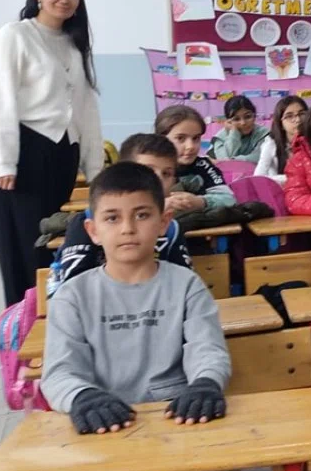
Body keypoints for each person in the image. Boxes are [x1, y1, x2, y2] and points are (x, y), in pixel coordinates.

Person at [41, 162, 231, 435]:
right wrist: (82, 396)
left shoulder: (187, 285)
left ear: (163, 222)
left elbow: (207, 349)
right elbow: (60, 371)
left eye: (141, 215)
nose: (127, 228)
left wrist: (206, 383)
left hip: (180, 419)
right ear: (93, 230)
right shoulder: (72, 296)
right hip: (104, 425)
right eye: (112, 218)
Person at [0, 0, 104, 306]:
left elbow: (86, 110)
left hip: (63, 155)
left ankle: (56, 315)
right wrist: (2, 162)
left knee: (54, 243)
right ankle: (24, 318)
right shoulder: (15, 35)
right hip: (24, 154)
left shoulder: (75, 44)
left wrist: (96, 170)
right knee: (25, 246)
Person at [53, 134, 192, 289]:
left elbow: (183, 283)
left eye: (167, 174)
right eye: (148, 170)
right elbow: (73, 286)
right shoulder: (86, 223)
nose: (158, 180)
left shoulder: (171, 228)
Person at [155, 106, 237, 211]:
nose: (191, 146)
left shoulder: (203, 165)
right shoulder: (149, 168)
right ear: (161, 139)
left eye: (196, 138)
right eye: (180, 138)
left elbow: (229, 199)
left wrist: (201, 202)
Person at [253, 96, 308, 185]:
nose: (298, 120)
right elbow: (258, 177)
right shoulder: (271, 144)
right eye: (289, 116)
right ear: (280, 123)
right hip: (279, 190)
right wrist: (291, 178)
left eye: (302, 114)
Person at [208, 95, 269, 163]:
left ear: (254, 117)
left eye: (248, 117)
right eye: (236, 119)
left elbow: (260, 157)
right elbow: (224, 163)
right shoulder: (220, 138)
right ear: (228, 121)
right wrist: (234, 132)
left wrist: (233, 161)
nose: (243, 123)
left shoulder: (264, 134)